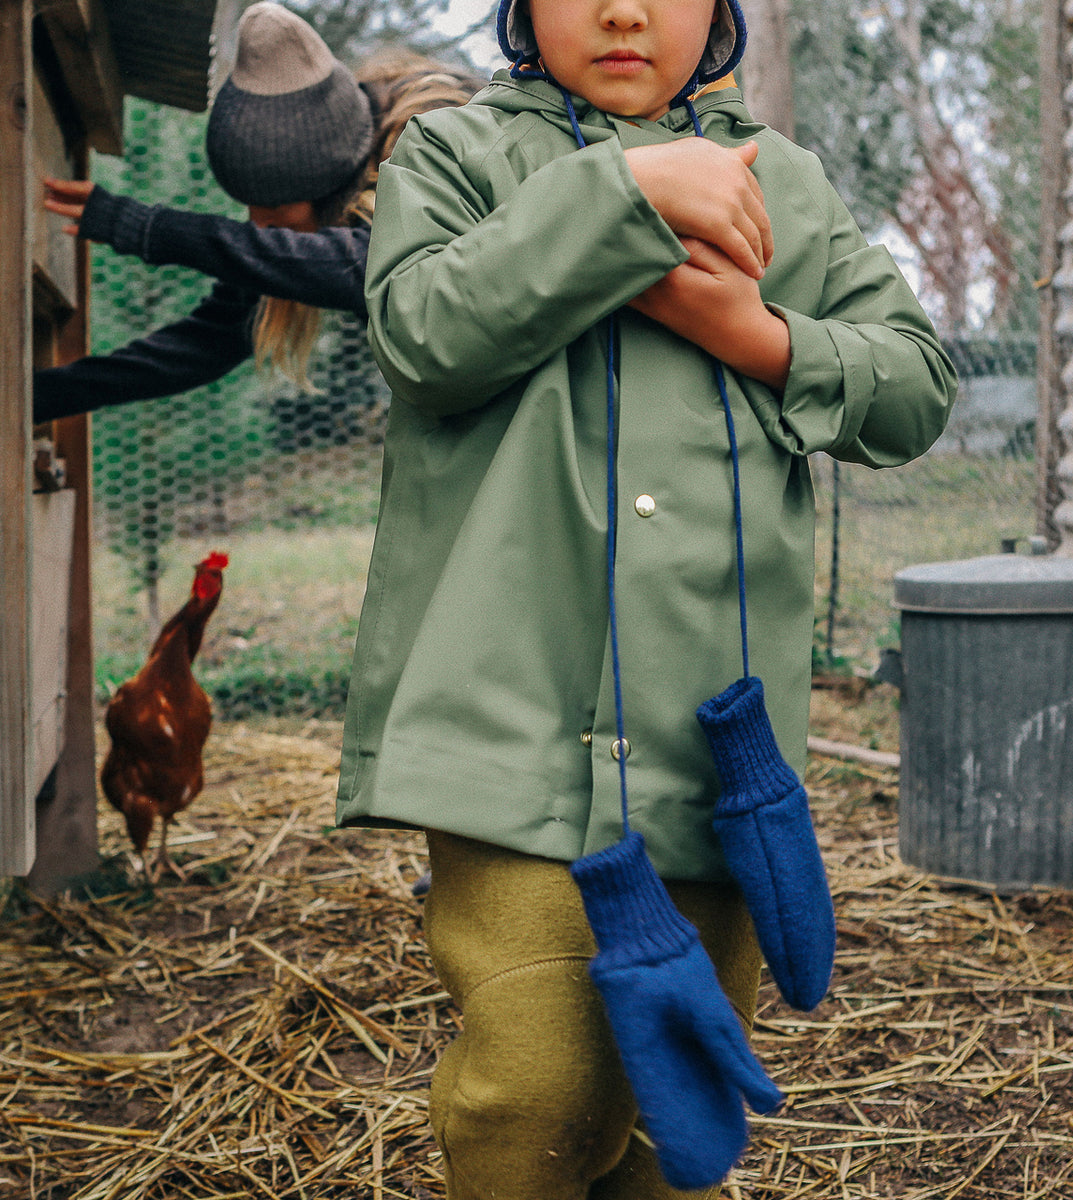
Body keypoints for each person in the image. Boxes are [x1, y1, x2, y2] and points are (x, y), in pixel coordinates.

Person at [337, 0, 957, 1197]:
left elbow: (915, 386)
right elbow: (424, 335)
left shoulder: (779, 182)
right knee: (534, 1090)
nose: (625, 9)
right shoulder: (461, 157)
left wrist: (761, 335)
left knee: (670, 1104)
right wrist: (631, 201)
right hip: (509, 721)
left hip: (706, 747)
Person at [35, 2, 480, 424]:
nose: (258, 226)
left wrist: (150, 229)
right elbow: (202, 344)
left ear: (327, 189)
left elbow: (368, 263)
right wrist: (35, 397)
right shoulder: (330, 172)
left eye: (273, 208)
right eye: (250, 206)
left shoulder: (440, 146)